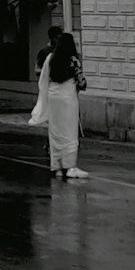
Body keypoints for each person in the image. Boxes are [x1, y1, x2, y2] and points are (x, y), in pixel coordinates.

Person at [30, 29, 88, 180]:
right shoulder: (73, 60)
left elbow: (43, 79)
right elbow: (82, 82)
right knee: (69, 132)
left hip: (53, 97)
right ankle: (70, 167)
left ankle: (56, 166)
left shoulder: (50, 58)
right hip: (68, 98)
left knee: (55, 132)